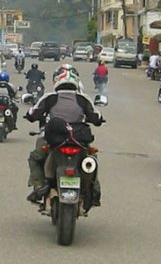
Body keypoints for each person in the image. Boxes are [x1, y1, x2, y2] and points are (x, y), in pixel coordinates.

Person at [24, 65, 104, 205]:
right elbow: (96, 118)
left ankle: (39, 186)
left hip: (54, 140)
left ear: (56, 81)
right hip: (79, 141)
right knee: (91, 160)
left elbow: (33, 114)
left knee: (35, 158)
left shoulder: (49, 97)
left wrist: (29, 116)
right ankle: (93, 190)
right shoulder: (83, 99)